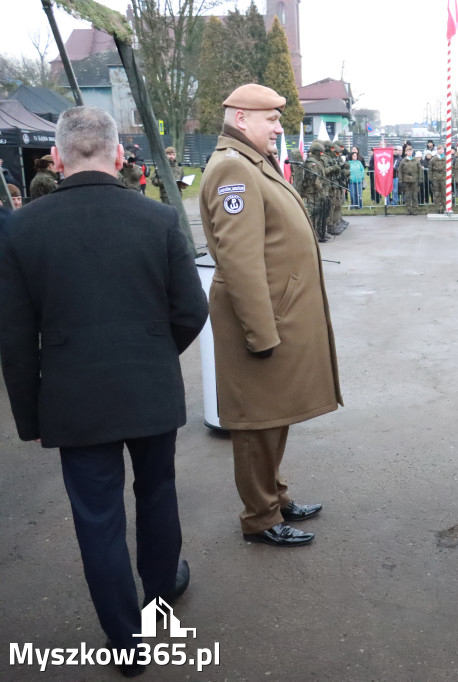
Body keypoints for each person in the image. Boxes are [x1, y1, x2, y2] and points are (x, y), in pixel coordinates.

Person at [0, 106, 207, 674]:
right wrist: (154, 355)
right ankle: (160, 601)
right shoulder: (160, 220)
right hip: (149, 389)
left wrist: (30, 413)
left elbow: (14, 337)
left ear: (57, 158)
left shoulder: (22, 227)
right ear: (119, 155)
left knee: (98, 518)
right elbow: (191, 309)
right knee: (158, 494)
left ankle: (125, 643)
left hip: (72, 395)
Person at [199, 84, 342, 548]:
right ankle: (260, 517)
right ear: (241, 119)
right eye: (271, 119)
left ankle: (275, 497)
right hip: (261, 324)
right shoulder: (233, 171)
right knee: (256, 424)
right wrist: (261, 333)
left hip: (276, 317)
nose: (280, 128)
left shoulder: (250, 163)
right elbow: (240, 263)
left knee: (274, 415)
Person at [398, 144, 420, 215]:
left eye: (410, 151)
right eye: (408, 151)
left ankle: (415, 209)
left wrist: (420, 179)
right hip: (406, 180)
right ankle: (408, 209)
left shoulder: (416, 160)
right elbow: (400, 171)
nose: (409, 152)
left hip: (414, 180)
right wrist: (400, 180)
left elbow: (420, 170)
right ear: (405, 152)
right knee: (407, 195)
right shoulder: (403, 161)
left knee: (414, 195)